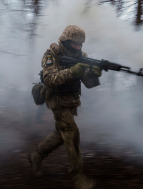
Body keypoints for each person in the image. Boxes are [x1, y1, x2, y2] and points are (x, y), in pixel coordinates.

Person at [29, 25, 102, 189]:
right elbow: (49, 79)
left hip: (71, 100)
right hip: (55, 98)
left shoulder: (82, 56)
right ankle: (77, 175)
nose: (79, 47)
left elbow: (88, 84)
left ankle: (37, 156)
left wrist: (93, 73)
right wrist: (72, 71)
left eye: (80, 44)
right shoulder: (51, 54)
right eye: (75, 44)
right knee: (71, 132)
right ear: (66, 41)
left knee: (61, 134)